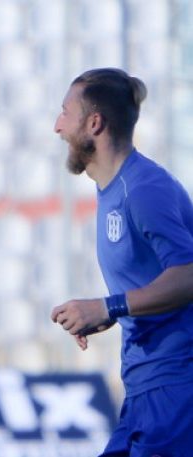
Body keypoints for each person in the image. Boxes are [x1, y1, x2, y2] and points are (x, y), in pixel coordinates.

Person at [51, 68, 193, 456]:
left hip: (176, 387)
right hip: (145, 390)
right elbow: (152, 278)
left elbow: (189, 275)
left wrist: (108, 307)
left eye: (65, 113)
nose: (57, 126)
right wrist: (108, 314)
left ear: (94, 123)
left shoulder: (144, 189)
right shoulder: (114, 189)